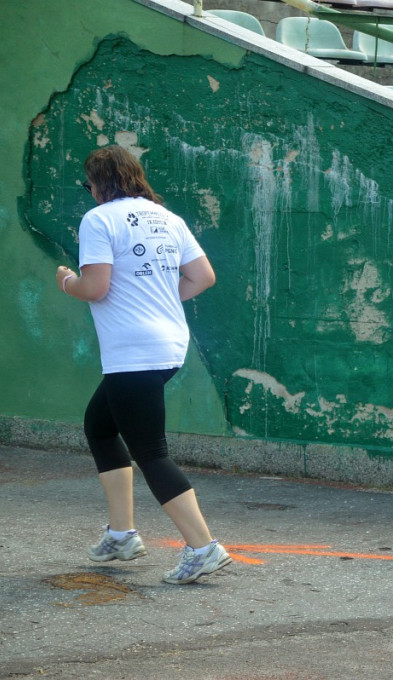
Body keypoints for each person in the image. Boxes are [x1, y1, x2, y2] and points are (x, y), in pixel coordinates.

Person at [55, 145, 230, 585]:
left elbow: (95, 287)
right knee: (100, 426)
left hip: (132, 352)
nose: (89, 191)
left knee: (151, 452)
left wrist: (66, 281)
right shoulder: (168, 219)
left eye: (89, 183)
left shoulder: (99, 219)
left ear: (99, 182)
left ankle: (203, 547)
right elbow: (203, 277)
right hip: (167, 345)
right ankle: (120, 535)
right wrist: (160, 300)